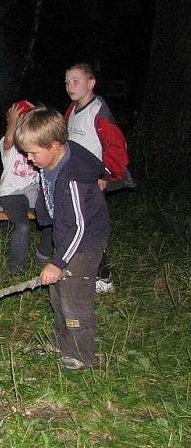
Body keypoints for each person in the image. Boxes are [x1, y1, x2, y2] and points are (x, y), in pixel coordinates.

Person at [15, 106, 110, 371]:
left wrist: (58, 261)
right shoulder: (51, 161)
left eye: (33, 153)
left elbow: (81, 226)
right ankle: (61, 342)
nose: (29, 159)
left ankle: (81, 354)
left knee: (73, 295)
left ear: (54, 145)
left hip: (86, 240)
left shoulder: (74, 178)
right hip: (68, 234)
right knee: (57, 293)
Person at [64, 63, 133, 293]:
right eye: (67, 82)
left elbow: (117, 146)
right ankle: (80, 271)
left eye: (76, 81)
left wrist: (106, 175)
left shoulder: (99, 111)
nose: (70, 86)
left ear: (91, 83)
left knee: (92, 227)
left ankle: (103, 277)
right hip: (75, 178)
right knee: (76, 225)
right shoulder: (72, 110)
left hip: (93, 180)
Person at [0, 100, 53, 274]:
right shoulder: (7, 143)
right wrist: (13, 123)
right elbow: (8, 141)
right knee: (23, 226)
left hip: (33, 192)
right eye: (20, 121)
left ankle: (42, 257)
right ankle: (16, 270)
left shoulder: (38, 144)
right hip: (11, 194)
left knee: (52, 220)